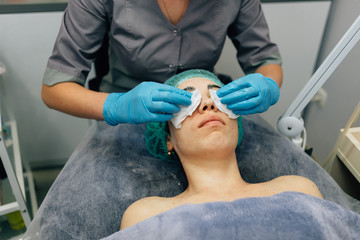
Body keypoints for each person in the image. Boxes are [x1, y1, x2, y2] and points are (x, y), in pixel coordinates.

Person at [119, 70, 322, 230]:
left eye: (217, 96)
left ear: (236, 122)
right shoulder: (145, 216)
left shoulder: (298, 190)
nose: (208, 104)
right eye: (188, 101)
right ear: (168, 139)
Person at [41, 0, 283, 124]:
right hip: (126, 114)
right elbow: (54, 89)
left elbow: (265, 59)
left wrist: (268, 84)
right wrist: (117, 106)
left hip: (200, 111)